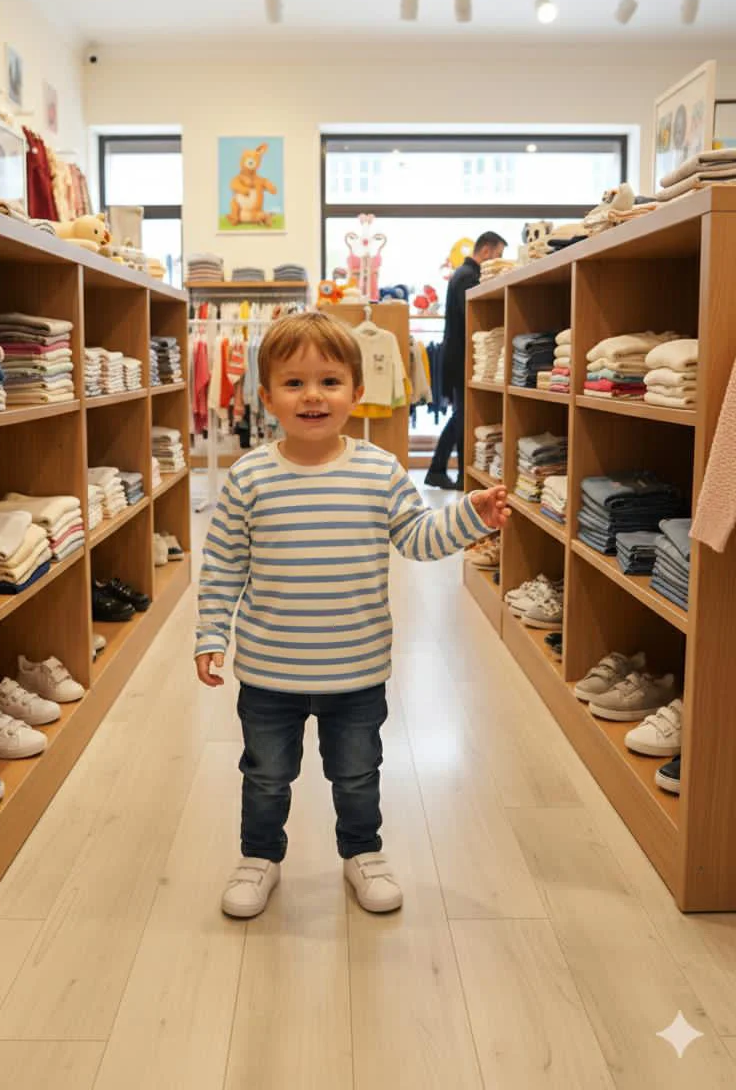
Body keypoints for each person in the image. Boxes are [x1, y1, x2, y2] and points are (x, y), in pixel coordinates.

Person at [195, 311, 510, 919]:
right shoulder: (249, 476)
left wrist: (470, 514)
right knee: (265, 775)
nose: (312, 395)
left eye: (329, 381)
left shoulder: (378, 469)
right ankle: (259, 857)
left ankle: (362, 853)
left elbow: (417, 538)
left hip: (358, 668)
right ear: (266, 397)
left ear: (357, 393)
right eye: (294, 383)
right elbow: (224, 565)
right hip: (268, 672)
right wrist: (211, 634)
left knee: (359, 773)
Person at [424, 231, 507, 490]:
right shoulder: (468, 277)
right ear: (486, 251)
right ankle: (459, 474)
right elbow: (471, 313)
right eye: (498, 256)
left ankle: (439, 470)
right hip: (461, 356)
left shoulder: (462, 274)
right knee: (463, 416)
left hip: (458, 354)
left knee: (461, 414)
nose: (498, 261)